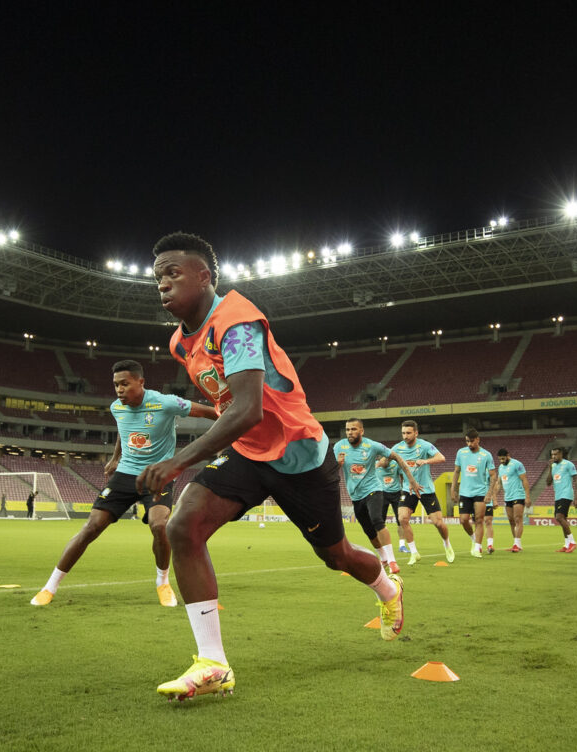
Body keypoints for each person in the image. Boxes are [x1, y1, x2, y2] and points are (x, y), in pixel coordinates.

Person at [139, 233, 404, 702]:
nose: (161, 283)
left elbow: (246, 409)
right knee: (183, 526)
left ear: (205, 277)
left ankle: (388, 589)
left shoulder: (236, 321)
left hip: (298, 455)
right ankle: (212, 663)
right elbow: (228, 411)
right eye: (157, 275)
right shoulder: (180, 343)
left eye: (172, 273)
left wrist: (178, 460)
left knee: (335, 556)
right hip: (246, 452)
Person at [31, 359, 215, 607]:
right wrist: (116, 457)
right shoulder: (117, 407)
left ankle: (162, 582)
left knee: (160, 525)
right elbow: (123, 428)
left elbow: (209, 412)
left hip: (157, 474)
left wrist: (239, 424)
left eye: (124, 384)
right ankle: (49, 587)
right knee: (91, 527)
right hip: (125, 474)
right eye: (116, 385)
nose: (119, 390)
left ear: (141, 382)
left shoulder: (165, 402)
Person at [336, 418, 420, 576]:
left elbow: (396, 457)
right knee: (369, 530)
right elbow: (334, 469)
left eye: (353, 429)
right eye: (347, 430)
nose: (350, 433)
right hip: (355, 495)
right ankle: (383, 558)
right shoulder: (339, 446)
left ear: (362, 431)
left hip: (374, 489)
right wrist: (338, 464)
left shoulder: (372, 446)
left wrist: (412, 480)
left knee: (377, 520)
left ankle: (392, 561)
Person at [389, 420, 453, 564]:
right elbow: (387, 461)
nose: (405, 436)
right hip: (408, 489)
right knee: (403, 518)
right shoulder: (397, 448)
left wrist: (425, 461)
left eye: (408, 433)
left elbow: (441, 458)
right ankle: (414, 552)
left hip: (426, 489)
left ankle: (447, 544)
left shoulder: (424, 446)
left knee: (438, 523)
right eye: (403, 433)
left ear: (416, 433)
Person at [450, 428, 498, 557]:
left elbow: (493, 475)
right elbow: (456, 471)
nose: (469, 444)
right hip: (465, 492)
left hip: (480, 492)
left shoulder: (486, 455)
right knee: (463, 520)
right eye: (467, 441)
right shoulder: (461, 453)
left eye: (472, 441)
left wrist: (489, 493)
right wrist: (453, 488)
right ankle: (474, 538)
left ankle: (477, 548)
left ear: (478, 439)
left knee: (479, 519)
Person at [531, 447, 577, 551]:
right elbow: (548, 483)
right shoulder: (553, 466)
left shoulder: (568, 464)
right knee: (562, 519)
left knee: (559, 517)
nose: (553, 456)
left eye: (556, 454)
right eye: (552, 455)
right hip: (558, 495)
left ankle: (573, 542)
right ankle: (566, 545)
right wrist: (550, 468)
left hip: (566, 494)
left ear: (561, 454)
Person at [492, 448, 530, 552]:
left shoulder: (517, 464)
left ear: (508, 455)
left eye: (503, 459)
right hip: (507, 497)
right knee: (511, 521)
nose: (502, 461)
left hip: (518, 495)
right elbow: (499, 483)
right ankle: (516, 544)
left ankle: (517, 544)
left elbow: (524, 479)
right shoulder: (501, 467)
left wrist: (527, 496)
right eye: (500, 459)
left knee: (518, 519)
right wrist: (494, 495)